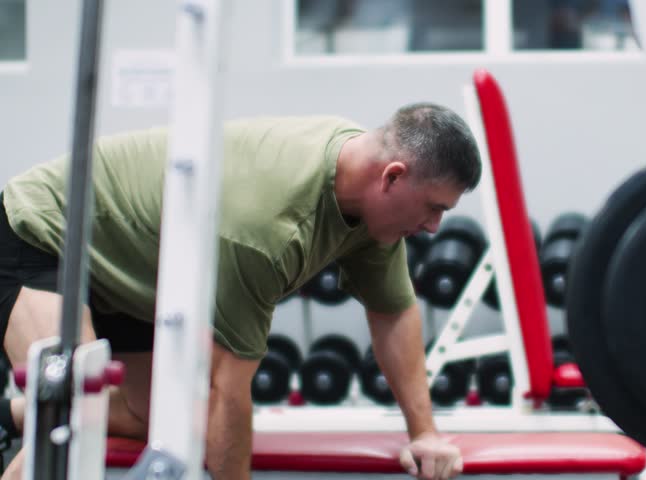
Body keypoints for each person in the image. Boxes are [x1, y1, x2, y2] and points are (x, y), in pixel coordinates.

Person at [0, 102, 482, 480]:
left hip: (131, 268)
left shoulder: (370, 198)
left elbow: (393, 312)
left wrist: (425, 434)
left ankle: (7, 414)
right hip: (46, 230)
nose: (435, 228)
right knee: (71, 424)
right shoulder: (267, 229)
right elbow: (226, 394)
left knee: (158, 420)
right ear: (393, 176)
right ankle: (37, 416)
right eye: (434, 208)